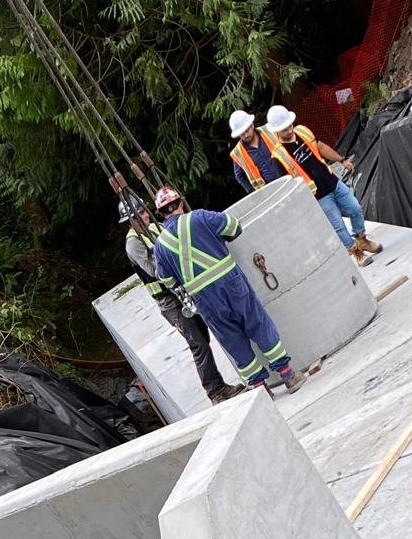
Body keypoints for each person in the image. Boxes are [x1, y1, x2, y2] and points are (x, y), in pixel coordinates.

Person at [151, 186, 311, 395]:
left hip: (204, 299)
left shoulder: (160, 246)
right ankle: (288, 375)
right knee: (257, 323)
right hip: (231, 283)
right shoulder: (200, 217)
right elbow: (234, 227)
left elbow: (167, 280)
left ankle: (261, 389)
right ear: (180, 202)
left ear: (161, 213)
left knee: (232, 339)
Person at [120, 196, 242, 407]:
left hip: (182, 291)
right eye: (140, 213)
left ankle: (219, 386)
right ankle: (215, 391)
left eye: (145, 211)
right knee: (198, 343)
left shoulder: (155, 228)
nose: (146, 215)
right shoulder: (133, 243)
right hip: (169, 300)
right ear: (131, 219)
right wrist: (172, 259)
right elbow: (153, 270)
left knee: (204, 336)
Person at [264, 103, 382, 267]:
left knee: (355, 208)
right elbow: (289, 185)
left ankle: (362, 240)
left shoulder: (302, 131)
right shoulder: (278, 156)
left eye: (290, 125)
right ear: (276, 131)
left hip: (332, 181)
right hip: (318, 196)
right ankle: (357, 253)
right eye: (284, 129)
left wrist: (341, 160)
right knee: (339, 226)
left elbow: (320, 147)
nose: (290, 130)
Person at [228, 110, 285, 192]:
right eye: (242, 134)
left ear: (252, 125)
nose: (246, 135)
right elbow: (239, 175)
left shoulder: (269, 130)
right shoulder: (238, 152)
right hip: (269, 191)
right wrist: (252, 191)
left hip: (287, 178)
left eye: (247, 131)